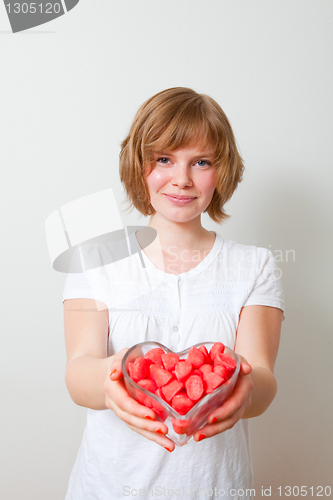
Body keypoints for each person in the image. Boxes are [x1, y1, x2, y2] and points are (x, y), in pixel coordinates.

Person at [63, 87, 284, 499]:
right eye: (164, 159)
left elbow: (263, 379)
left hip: (217, 488)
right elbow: (78, 373)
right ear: (138, 165)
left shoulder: (254, 265)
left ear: (223, 172)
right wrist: (113, 382)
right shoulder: (94, 258)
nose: (182, 178)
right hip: (108, 487)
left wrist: (245, 386)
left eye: (201, 162)